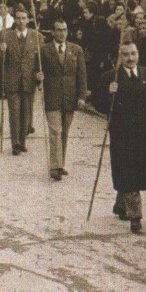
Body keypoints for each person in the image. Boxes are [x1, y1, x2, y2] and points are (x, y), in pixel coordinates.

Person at [92, 42, 146, 234]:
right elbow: (100, 106)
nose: (131, 58)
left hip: (145, 133)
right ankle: (135, 215)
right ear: (120, 57)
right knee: (128, 169)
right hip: (122, 133)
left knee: (134, 169)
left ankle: (121, 205)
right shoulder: (110, 78)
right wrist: (109, 93)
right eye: (126, 55)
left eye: (134, 53)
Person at [40, 19, 87, 181]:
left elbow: (81, 76)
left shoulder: (76, 50)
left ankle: (61, 164)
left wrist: (81, 97)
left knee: (64, 133)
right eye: (58, 30)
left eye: (65, 30)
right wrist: (38, 77)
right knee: (55, 131)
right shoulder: (44, 51)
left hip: (69, 99)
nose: (62, 33)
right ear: (53, 32)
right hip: (52, 97)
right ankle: (55, 167)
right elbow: (36, 72)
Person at [0, 5, 43, 156]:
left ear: (28, 20)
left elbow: (40, 61)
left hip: (29, 80)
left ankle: (22, 141)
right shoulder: (5, 35)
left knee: (26, 112)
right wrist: (2, 51)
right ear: (14, 19)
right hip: (12, 80)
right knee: (14, 111)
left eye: (24, 18)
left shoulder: (37, 37)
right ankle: (15, 143)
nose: (21, 21)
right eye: (18, 18)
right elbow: (0, 57)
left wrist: (39, 74)